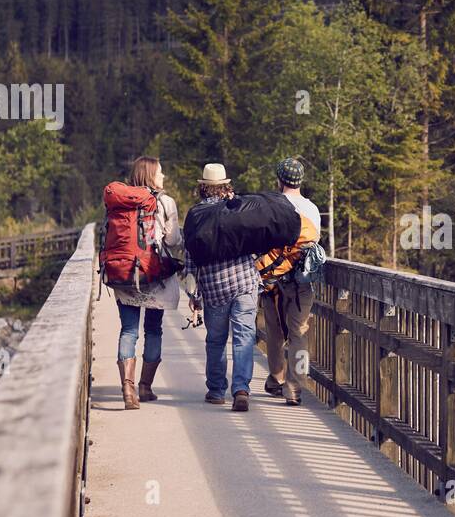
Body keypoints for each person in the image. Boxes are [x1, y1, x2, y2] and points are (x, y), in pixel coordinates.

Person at [183, 163, 261, 412]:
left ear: (203, 187)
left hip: (214, 286)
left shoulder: (196, 215)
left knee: (216, 340)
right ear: (225, 185)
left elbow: (190, 258)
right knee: (244, 338)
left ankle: (217, 390)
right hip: (244, 282)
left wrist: (193, 295)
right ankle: (241, 390)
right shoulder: (238, 208)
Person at [114, 155, 182, 410]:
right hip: (153, 276)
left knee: (128, 330)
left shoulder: (120, 201)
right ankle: (145, 387)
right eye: (160, 172)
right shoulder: (165, 202)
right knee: (153, 330)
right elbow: (173, 240)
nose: (163, 177)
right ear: (150, 175)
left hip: (124, 275)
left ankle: (127, 389)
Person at [257, 158, 321, 406]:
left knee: (274, 331)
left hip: (273, 279)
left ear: (279, 179)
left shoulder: (270, 205)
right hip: (302, 280)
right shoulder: (312, 209)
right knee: (299, 332)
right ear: (300, 180)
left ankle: (276, 377)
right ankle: (295, 386)